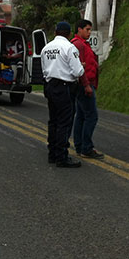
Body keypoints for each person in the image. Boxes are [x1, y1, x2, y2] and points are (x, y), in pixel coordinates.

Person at [41, 21, 90, 168]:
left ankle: (52, 153)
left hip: (50, 85)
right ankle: (62, 156)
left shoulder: (46, 48)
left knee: (53, 121)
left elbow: (44, 70)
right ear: (69, 34)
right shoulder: (69, 47)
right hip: (64, 87)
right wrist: (81, 66)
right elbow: (77, 71)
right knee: (64, 122)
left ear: (55, 32)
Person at [71, 19, 102, 159]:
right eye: (87, 29)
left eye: (90, 30)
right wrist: (87, 85)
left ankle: (80, 145)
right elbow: (80, 68)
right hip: (85, 85)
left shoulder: (83, 44)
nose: (89, 32)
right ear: (79, 29)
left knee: (82, 116)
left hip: (86, 84)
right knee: (91, 116)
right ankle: (86, 147)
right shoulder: (78, 45)